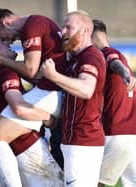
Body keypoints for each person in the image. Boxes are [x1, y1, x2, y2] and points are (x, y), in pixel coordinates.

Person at [0, 8, 66, 185]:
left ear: (5, 22)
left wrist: (0, 58)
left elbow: (32, 71)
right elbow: (19, 103)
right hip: (28, 143)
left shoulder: (31, 27)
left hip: (27, 139)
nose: (9, 42)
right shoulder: (5, 73)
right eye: (1, 42)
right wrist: (46, 118)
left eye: (3, 38)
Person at [40, 10, 106, 186]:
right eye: (63, 27)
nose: (63, 31)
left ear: (85, 30)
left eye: (69, 27)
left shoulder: (90, 57)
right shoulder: (75, 59)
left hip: (83, 141)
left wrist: (53, 75)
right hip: (74, 140)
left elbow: (86, 89)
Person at [92, 19, 136, 187]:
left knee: (92, 182)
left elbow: (114, 62)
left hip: (118, 133)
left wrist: (126, 75)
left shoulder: (104, 53)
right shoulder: (121, 56)